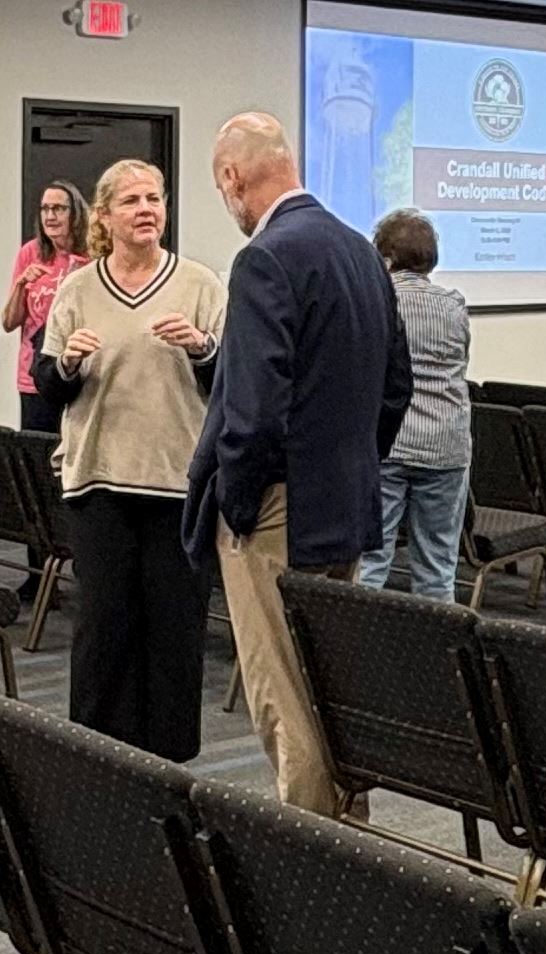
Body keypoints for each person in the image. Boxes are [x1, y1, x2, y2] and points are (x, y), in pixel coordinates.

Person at [183, 112, 410, 814]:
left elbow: (250, 409)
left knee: (282, 694)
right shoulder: (358, 251)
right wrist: (350, 465)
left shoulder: (264, 257)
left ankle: (313, 859)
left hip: (275, 510)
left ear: (231, 177)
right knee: (327, 683)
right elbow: (395, 384)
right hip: (341, 501)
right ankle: (352, 827)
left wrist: (240, 506)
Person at [34, 160, 224, 761]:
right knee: (104, 626)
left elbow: (229, 383)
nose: (147, 209)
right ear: (107, 216)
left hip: (177, 483)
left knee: (175, 626)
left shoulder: (200, 284)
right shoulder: (78, 290)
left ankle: (169, 759)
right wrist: (65, 363)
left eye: (156, 198)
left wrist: (201, 348)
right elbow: (47, 383)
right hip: (98, 482)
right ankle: (96, 751)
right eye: (133, 201)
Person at [357, 209, 471, 603]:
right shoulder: (455, 305)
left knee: (370, 562)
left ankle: (354, 653)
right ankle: (436, 659)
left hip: (389, 443)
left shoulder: (376, 300)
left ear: (385, 257)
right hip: (446, 446)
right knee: (438, 569)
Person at [2, 180, 92, 435]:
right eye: (45, 209)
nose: (50, 216)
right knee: (39, 453)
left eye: (58, 209)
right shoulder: (30, 253)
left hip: (80, 373)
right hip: (34, 376)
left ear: (74, 213)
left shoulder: (92, 256)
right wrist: (21, 285)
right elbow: (9, 323)